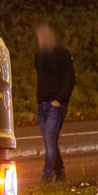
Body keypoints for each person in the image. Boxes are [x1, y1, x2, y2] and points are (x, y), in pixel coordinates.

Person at [34, 22, 75, 184]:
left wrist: (59, 100)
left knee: (50, 141)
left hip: (55, 105)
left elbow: (69, 79)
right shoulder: (39, 55)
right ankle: (60, 171)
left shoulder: (62, 54)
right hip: (42, 103)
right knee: (50, 142)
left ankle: (46, 177)